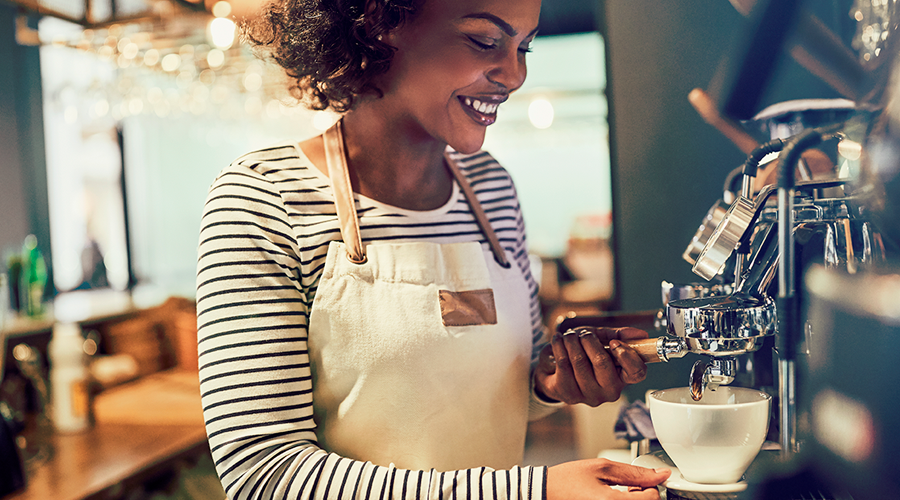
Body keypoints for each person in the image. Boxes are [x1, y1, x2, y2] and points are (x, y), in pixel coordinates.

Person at [195, 0, 671, 498]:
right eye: (485, 41)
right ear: (379, 22)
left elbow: (509, 388)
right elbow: (262, 474)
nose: (514, 75)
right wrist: (535, 491)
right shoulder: (263, 198)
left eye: (524, 48)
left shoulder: (491, 187)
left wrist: (551, 382)